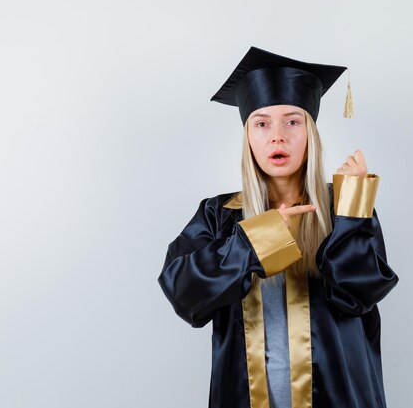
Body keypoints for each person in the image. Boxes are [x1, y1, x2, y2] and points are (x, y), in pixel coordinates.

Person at [157, 46, 399, 408]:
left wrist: (352, 210)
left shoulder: (341, 207)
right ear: (248, 136)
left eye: (292, 121)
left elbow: (358, 295)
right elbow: (185, 297)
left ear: (310, 132)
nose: (277, 136)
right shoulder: (219, 215)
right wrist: (257, 240)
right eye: (262, 123)